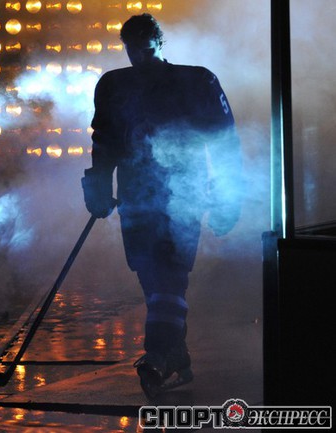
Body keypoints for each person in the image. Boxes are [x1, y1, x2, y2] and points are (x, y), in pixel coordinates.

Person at [81, 13, 243, 398]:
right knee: (153, 279)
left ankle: (157, 355)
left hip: (182, 198)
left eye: (146, 49)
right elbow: (104, 143)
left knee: (169, 275)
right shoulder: (114, 86)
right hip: (136, 198)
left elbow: (224, 142)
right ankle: (176, 356)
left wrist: (227, 197)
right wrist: (98, 186)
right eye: (132, 50)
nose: (139, 57)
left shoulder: (196, 81)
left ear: (159, 44)